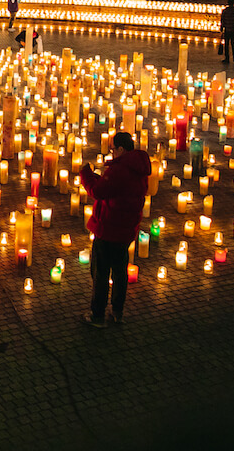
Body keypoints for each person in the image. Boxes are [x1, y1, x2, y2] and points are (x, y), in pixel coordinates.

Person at [78, 131, 150, 328]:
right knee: (120, 273)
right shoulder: (139, 169)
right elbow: (114, 189)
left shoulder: (119, 170)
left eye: (113, 149)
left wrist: (86, 174)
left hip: (109, 228)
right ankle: (118, 311)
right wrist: (98, 177)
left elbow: (98, 192)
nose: (112, 152)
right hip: (126, 230)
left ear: (121, 149)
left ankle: (97, 315)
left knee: (100, 273)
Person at [219, 0, 234, 65]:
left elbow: (222, 20)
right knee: (233, 43)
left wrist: (221, 29)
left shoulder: (225, 11)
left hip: (227, 29)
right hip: (233, 29)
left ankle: (227, 58)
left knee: (226, 44)